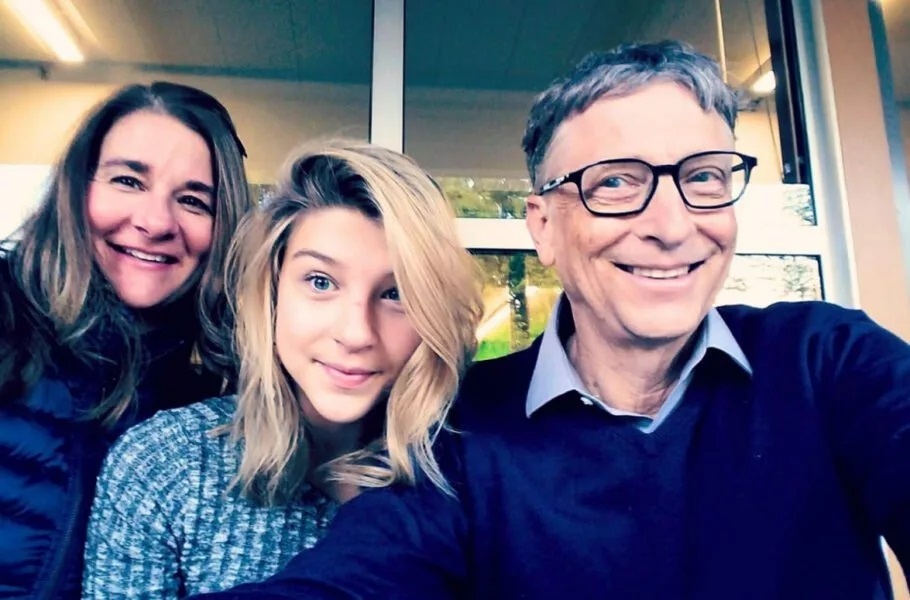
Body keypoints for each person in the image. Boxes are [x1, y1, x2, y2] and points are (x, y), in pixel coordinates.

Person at [190, 40, 910, 600]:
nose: (671, 225)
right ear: (542, 227)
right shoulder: (459, 430)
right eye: (615, 183)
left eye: (704, 177)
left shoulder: (829, 362)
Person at [80, 139, 484, 598]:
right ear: (271, 290)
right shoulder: (163, 466)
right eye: (320, 282)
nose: (356, 333)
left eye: (397, 294)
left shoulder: (469, 474)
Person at [0, 81, 250, 599]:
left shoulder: (213, 400)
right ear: (77, 188)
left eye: (192, 201)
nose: (155, 222)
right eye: (128, 181)